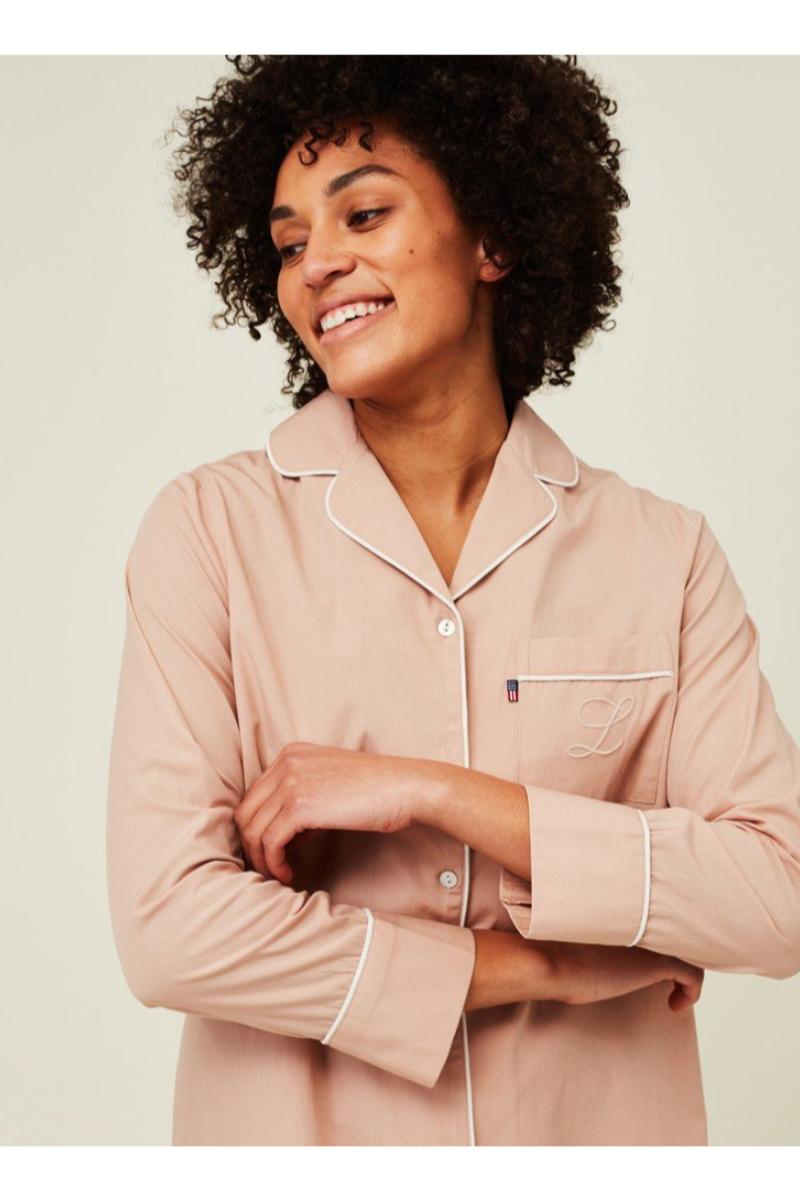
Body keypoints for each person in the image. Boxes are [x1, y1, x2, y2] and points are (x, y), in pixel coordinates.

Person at [106, 54, 800, 1146]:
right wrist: (544, 966)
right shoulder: (208, 531)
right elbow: (169, 931)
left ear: (495, 239)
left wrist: (431, 791)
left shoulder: (662, 553)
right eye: (288, 244)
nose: (316, 266)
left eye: (363, 215)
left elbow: (778, 892)